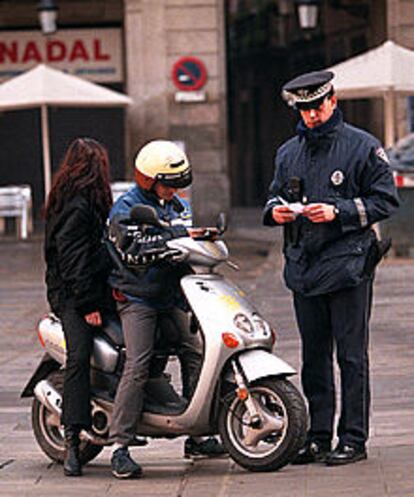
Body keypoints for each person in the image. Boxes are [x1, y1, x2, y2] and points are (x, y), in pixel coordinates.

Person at [263, 71, 399, 466]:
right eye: (304, 109)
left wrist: (337, 212)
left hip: (349, 267)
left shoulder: (363, 147)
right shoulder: (288, 152)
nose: (312, 115)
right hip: (304, 266)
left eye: (317, 106)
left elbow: (386, 200)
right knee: (313, 356)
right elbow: (271, 198)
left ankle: (353, 438)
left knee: (351, 357)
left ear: (332, 101)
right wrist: (281, 212)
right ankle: (319, 436)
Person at [107, 139, 226, 479]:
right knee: (139, 362)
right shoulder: (126, 209)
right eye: (168, 184)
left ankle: (198, 434)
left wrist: (201, 237)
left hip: (172, 296)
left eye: (178, 185)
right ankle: (121, 445)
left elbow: (180, 236)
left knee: (195, 351)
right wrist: (177, 236)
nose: (174, 191)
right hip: (138, 298)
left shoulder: (176, 206)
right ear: (148, 179)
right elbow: (133, 247)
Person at [44, 137, 113, 476]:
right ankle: (72, 440)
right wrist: (87, 304)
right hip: (73, 295)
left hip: (94, 288)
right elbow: (72, 260)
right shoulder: (76, 204)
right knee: (78, 357)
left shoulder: (87, 201)